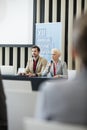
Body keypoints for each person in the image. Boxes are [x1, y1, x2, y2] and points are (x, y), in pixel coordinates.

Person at [35, 12, 87, 125]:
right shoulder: (49, 64)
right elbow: (43, 75)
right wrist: (47, 68)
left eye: (53, 54)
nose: (51, 55)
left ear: (74, 52)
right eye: (51, 54)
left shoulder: (62, 65)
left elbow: (66, 76)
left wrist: (59, 76)